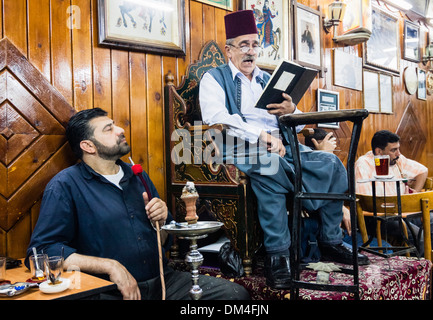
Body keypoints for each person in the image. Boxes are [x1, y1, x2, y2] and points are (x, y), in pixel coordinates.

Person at [199, 10, 368, 290]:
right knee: (270, 167)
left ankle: (330, 242)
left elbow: (297, 127)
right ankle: (279, 257)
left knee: (331, 164)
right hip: (240, 149)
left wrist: (291, 111)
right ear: (229, 50)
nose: (250, 51)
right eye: (243, 45)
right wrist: (262, 135)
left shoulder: (267, 79)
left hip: (284, 147)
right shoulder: (214, 78)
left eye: (254, 44)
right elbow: (216, 118)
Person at [25, 108, 250, 300]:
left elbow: (165, 238)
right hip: (108, 291)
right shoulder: (65, 185)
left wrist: (161, 222)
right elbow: (42, 251)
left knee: (235, 295)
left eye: (115, 125)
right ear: (88, 146)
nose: (120, 130)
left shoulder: (136, 176)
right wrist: (111, 267)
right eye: (108, 129)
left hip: (162, 281)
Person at [355, 130, 433, 260]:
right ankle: (419, 272)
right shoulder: (363, 164)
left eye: (398, 149)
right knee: (419, 236)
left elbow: (422, 171)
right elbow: (367, 203)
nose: (398, 153)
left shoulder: (398, 160)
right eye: (393, 150)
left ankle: (432, 269)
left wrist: (414, 194)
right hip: (381, 217)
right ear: (378, 152)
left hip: (405, 212)